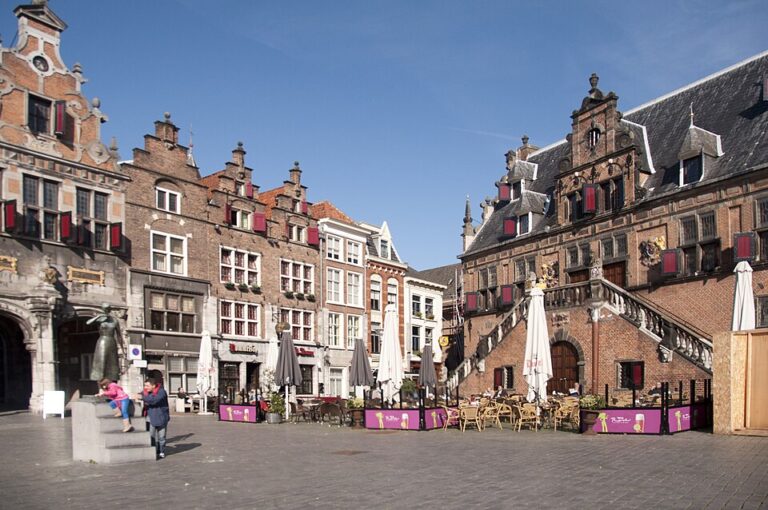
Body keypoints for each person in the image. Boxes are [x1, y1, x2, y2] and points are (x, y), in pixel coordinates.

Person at [138, 377, 170, 460]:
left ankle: (161, 451)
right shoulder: (145, 392)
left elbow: (154, 400)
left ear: (153, 386)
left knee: (161, 437)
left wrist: (142, 397)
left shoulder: (161, 392)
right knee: (151, 436)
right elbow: (139, 395)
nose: (145, 387)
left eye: (147, 386)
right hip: (150, 417)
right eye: (145, 385)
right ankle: (153, 451)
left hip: (161, 416)